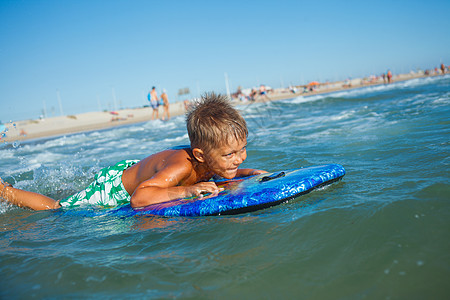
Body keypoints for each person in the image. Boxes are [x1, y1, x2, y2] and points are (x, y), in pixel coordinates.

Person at [0, 92, 267, 211]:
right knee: (56, 208)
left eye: (242, 150)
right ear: (200, 154)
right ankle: (4, 190)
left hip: (135, 170)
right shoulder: (182, 167)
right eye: (230, 155)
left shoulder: (208, 159)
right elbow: (139, 198)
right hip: (116, 187)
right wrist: (186, 191)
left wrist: (246, 173)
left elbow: (215, 172)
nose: (239, 158)